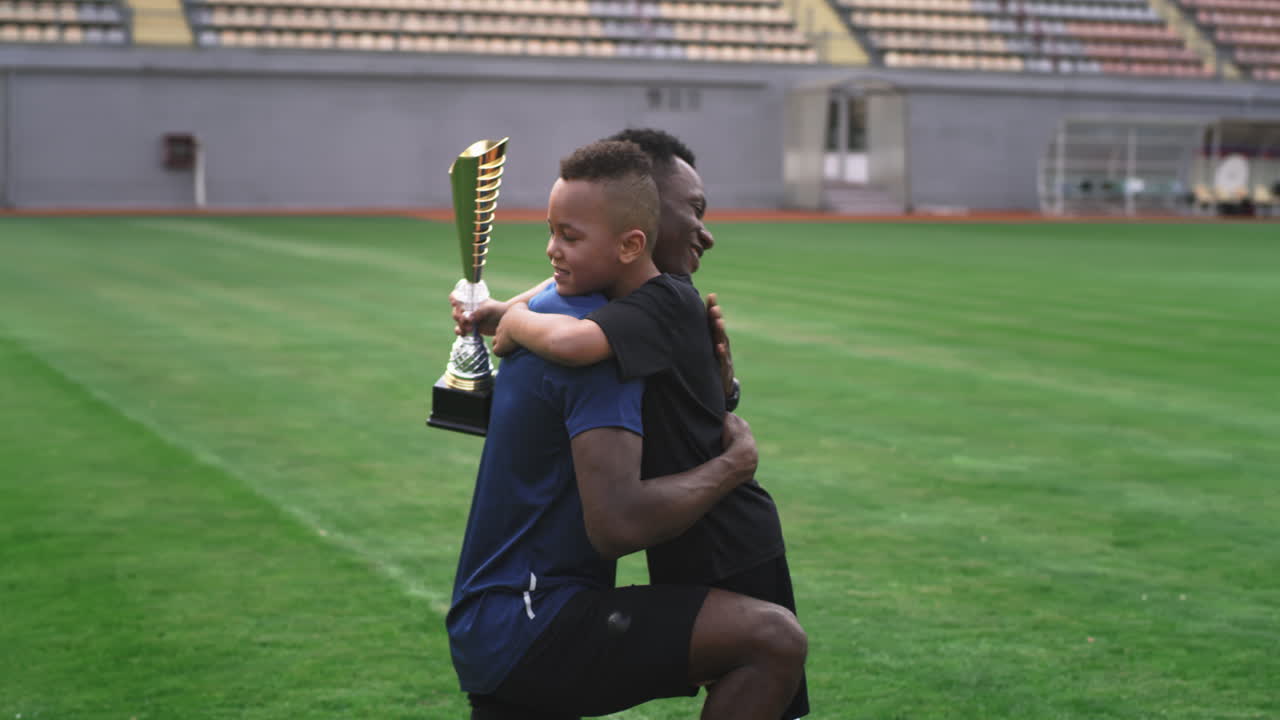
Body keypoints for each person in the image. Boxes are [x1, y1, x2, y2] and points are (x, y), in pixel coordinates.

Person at [447, 140, 807, 720]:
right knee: (773, 640)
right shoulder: (595, 345)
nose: (552, 251)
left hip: (500, 615)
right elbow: (618, 523)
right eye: (692, 209)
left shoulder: (560, 311)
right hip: (535, 619)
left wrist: (505, 315)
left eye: (568, 236)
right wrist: (732, 465)